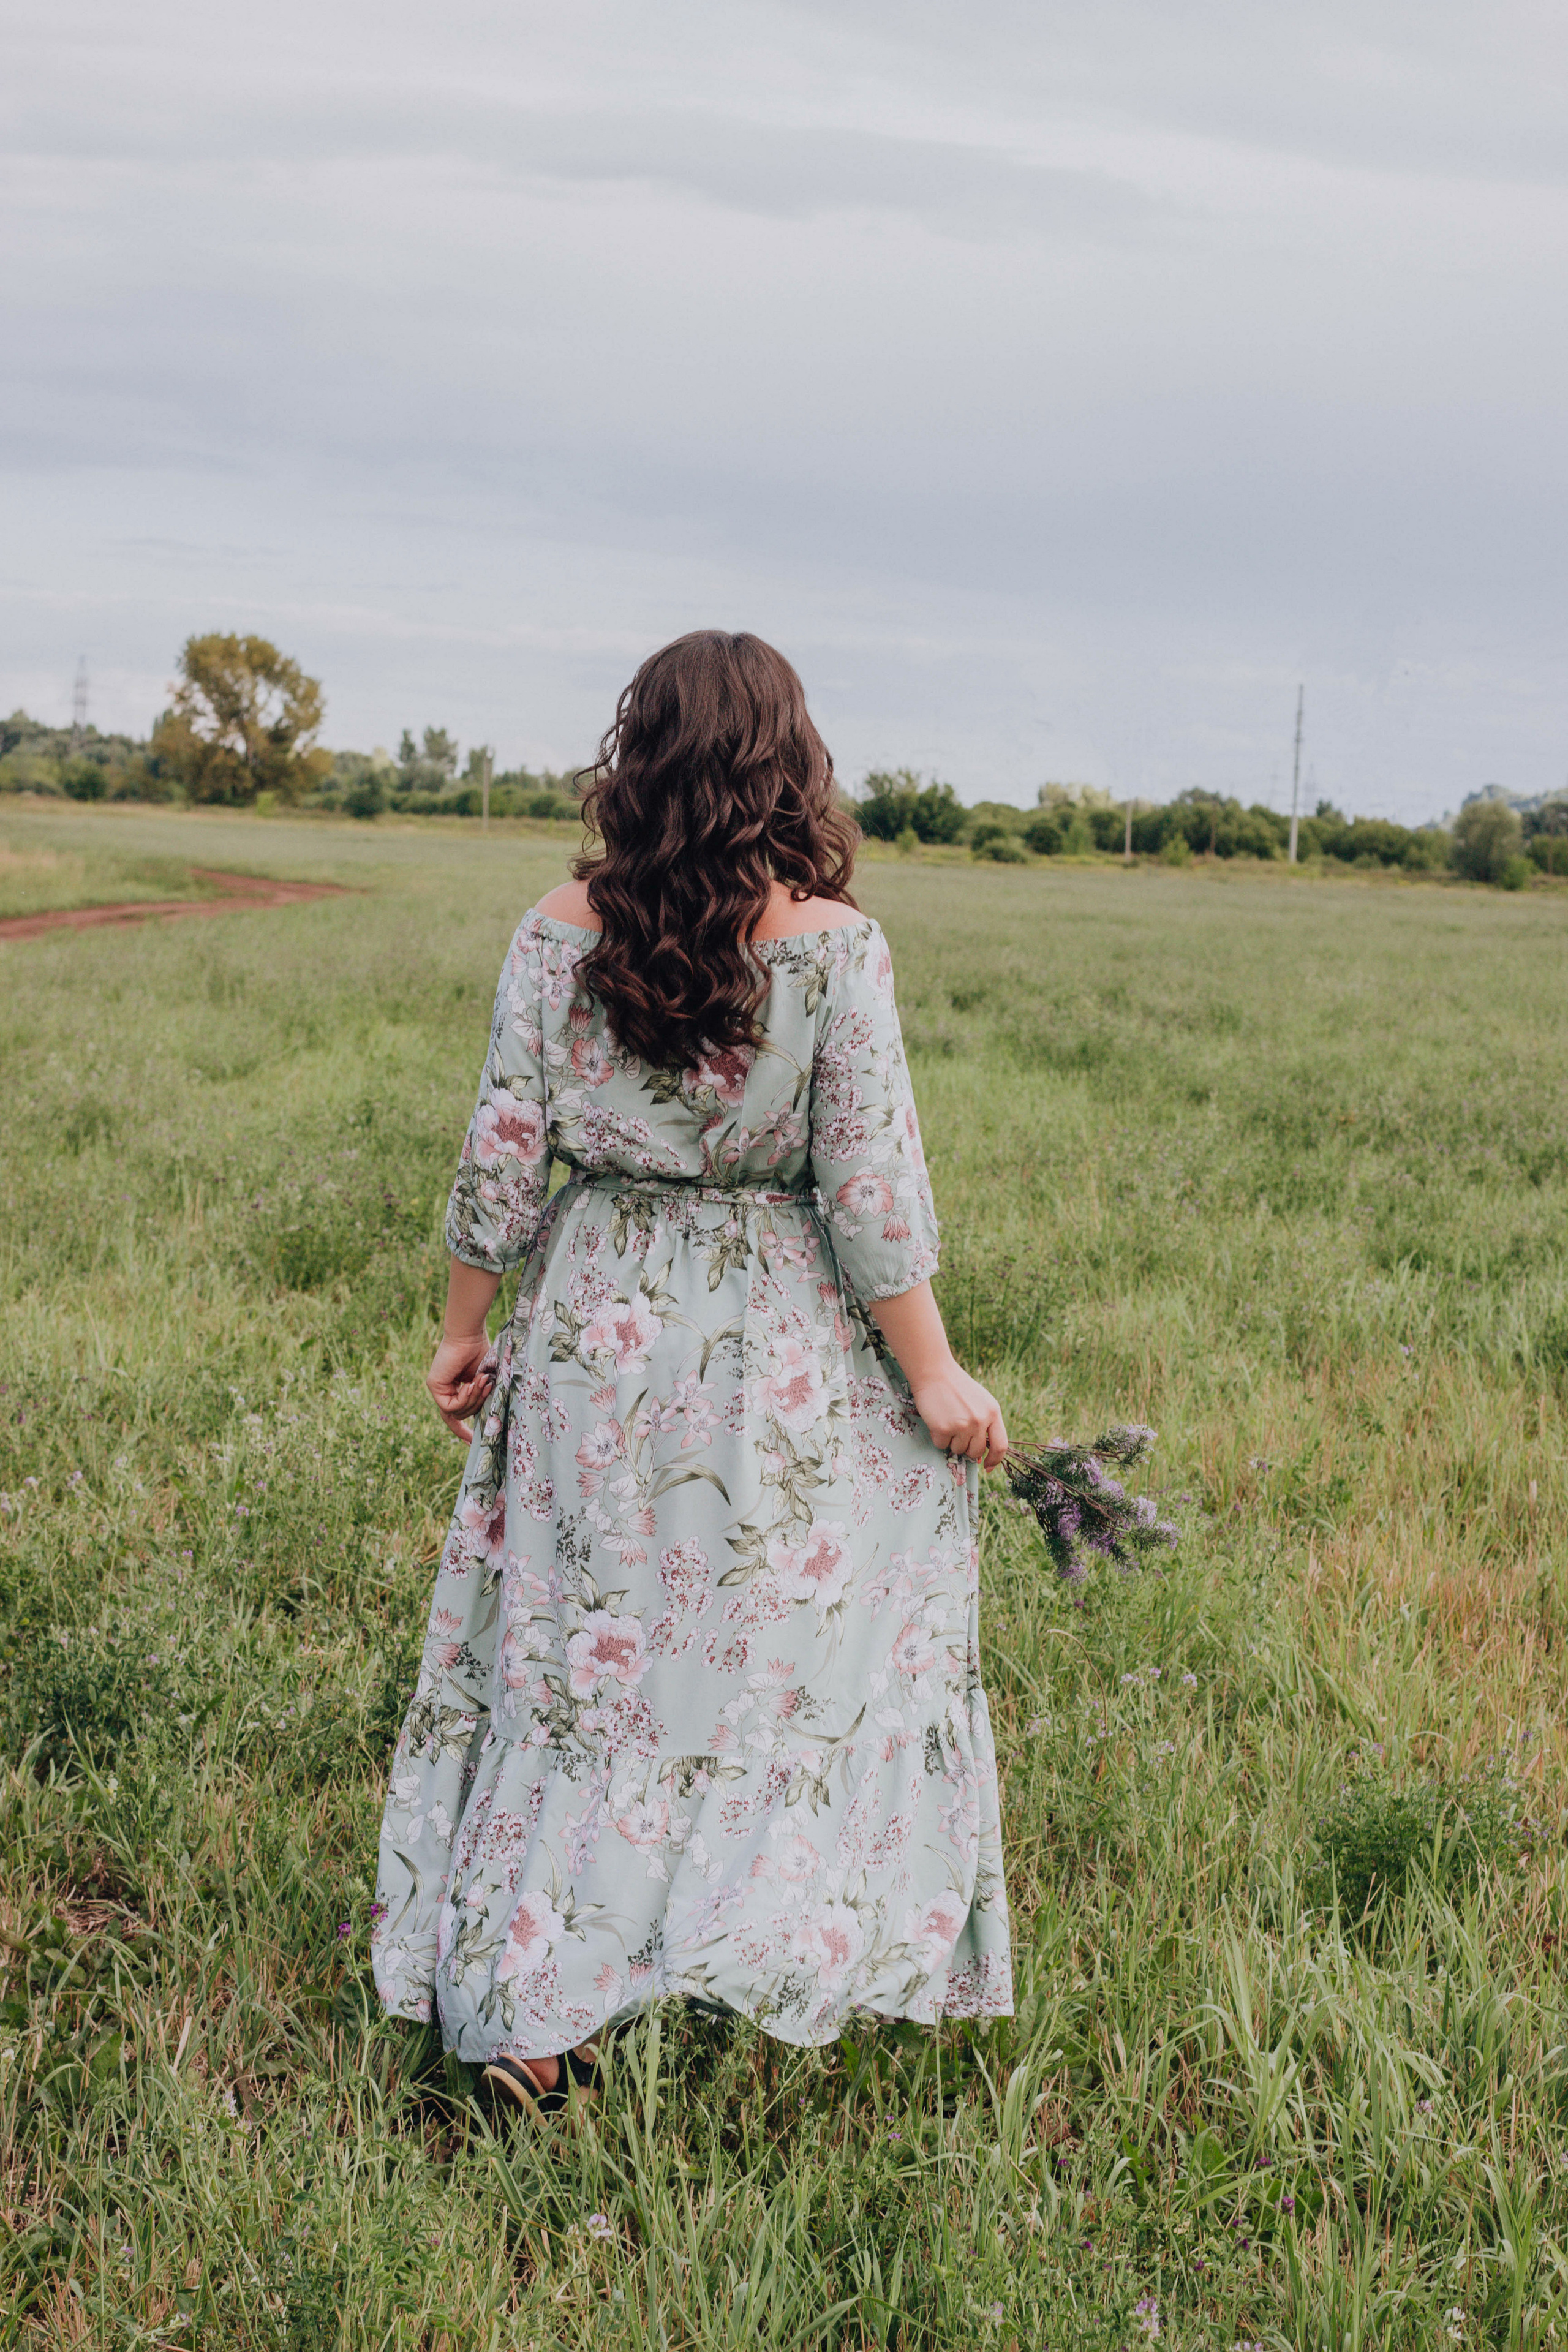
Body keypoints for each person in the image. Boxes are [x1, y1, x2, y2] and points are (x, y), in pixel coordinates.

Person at [372, 630, 1013, 2117]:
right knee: (765, 1664)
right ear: (784, 760)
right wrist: (930, 1375)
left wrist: (466, 1327)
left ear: (636, 755)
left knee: (574, 1664)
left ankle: (541, 2015)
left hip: (594, 1331)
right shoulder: (834, 947)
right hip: (770, 1353)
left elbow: (501, 1154)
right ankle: (741, 1937)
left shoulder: (552, 930)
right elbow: (867, 1191)